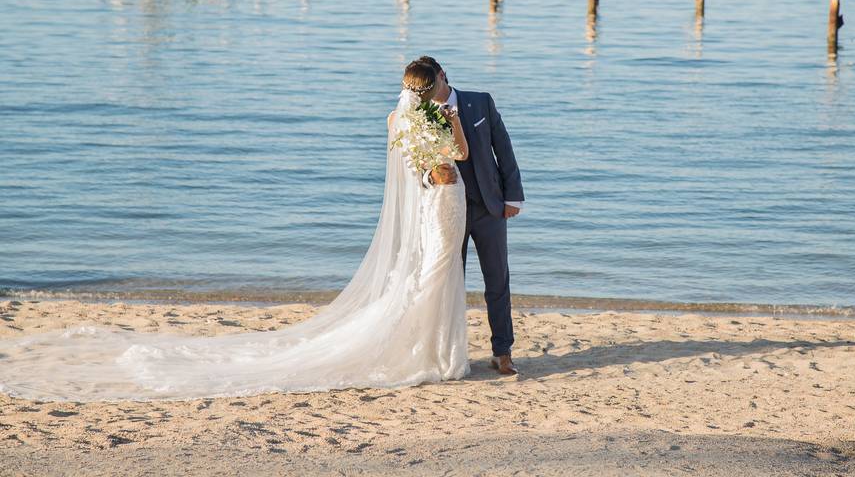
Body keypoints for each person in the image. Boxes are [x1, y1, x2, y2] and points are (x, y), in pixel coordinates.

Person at [0, 62, 474, 402]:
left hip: (432, 200)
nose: (449, 85)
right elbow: (459, 156)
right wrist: (450, 126)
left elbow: (408, 164)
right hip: (445, 200)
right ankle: (427, 353)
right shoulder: (434, 116)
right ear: (432, 87)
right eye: (444, 80)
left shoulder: (396, 120)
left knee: (433, 272)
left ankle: (430, 350)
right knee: (437, 274)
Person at [416, 56, 525, 375]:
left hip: (489, 205)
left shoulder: (480, 102)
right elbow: (414, 165)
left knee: (498, 279)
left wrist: (512, 196)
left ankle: (502, 352)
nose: (427, 92)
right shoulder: (417, 117)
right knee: (450, 282)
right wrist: (429, 178)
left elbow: (503, 149)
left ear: (442, 75)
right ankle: (450, 354)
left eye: (431, 84)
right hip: (448, 210)